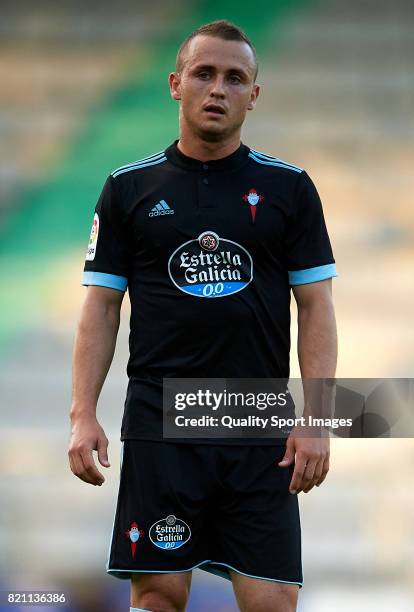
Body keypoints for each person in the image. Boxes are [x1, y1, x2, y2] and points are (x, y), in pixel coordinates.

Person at [68, 20, 337, 612]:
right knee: (159, 596)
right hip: (160, 415)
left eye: (235, 78)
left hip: (255, 417)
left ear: (254, 95)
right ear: (175, 84)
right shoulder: (126, 189)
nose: (218, 88)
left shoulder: (290, 189)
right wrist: (82, 413)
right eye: (205, 73)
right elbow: (102, 306)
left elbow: (317, 307)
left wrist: (318, 417)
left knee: (271, 602)